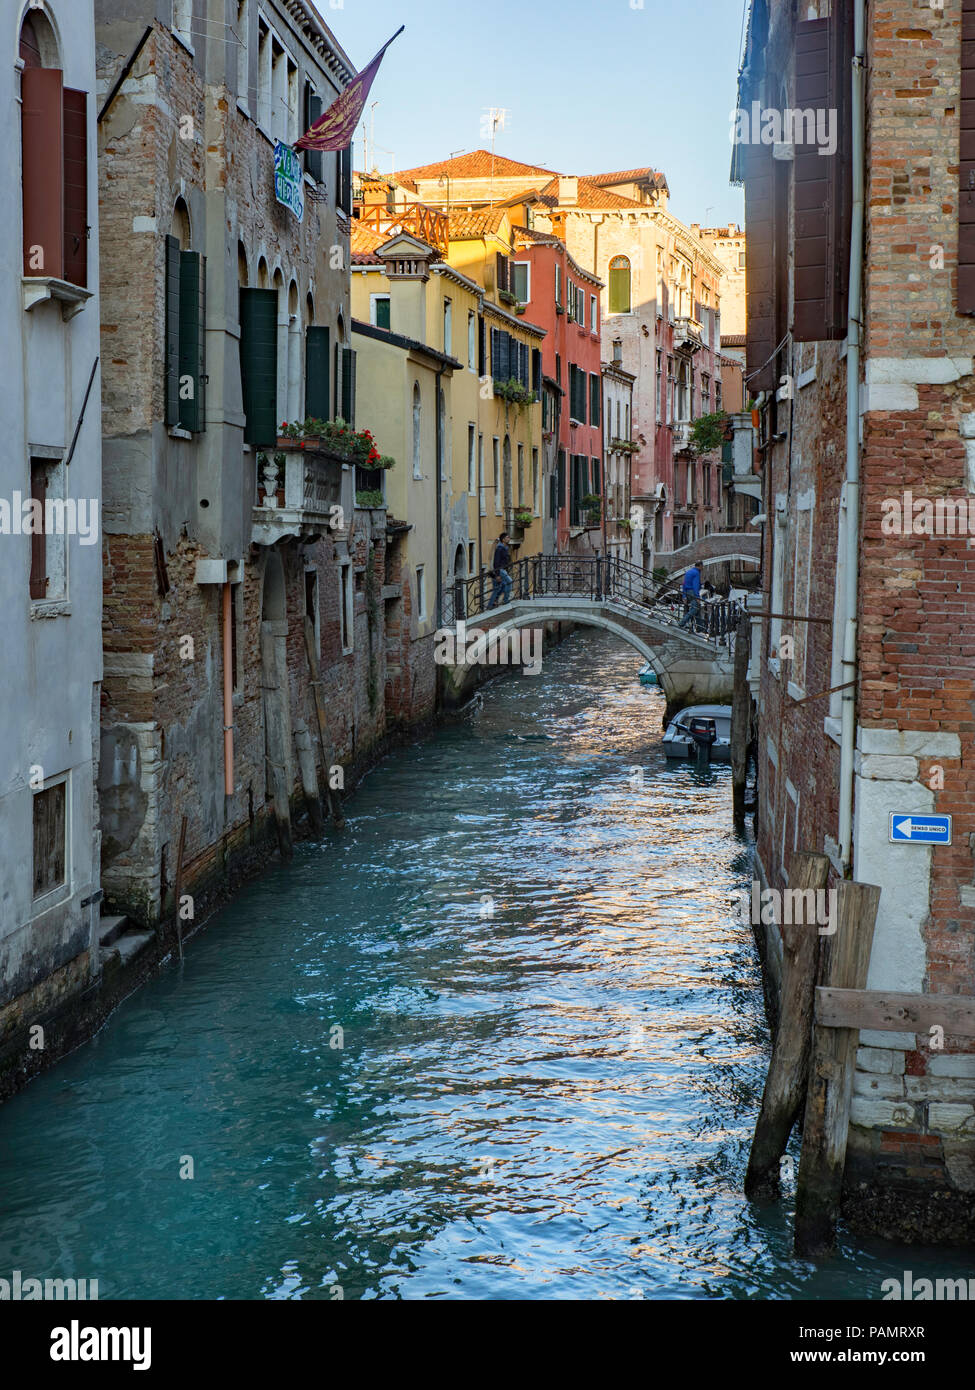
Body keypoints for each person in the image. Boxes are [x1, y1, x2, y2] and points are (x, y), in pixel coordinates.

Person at [486, 532, 513, 609]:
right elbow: (496, 562)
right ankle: (505, 600)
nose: (509, 539)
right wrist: (497, 575)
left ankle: (492, 603)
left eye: (509, 537)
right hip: (499, 570)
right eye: (507, 537)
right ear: (503, 539)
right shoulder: (499, 549)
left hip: (502, 570)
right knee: (509, 581)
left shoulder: (505, 548)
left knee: (500, 587)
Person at [677, 562, 702, 630]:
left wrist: (684, 595)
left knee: (697, 609)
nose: (702, 568)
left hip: (687, 592)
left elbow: (684, 584)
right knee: (695, 609)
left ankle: (701, 628)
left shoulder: (688, 572)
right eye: (702, 567)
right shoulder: (696, 573)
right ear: (700, 566)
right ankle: (682, 622)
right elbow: (695, 585)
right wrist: (697, 597)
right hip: (693, 592)